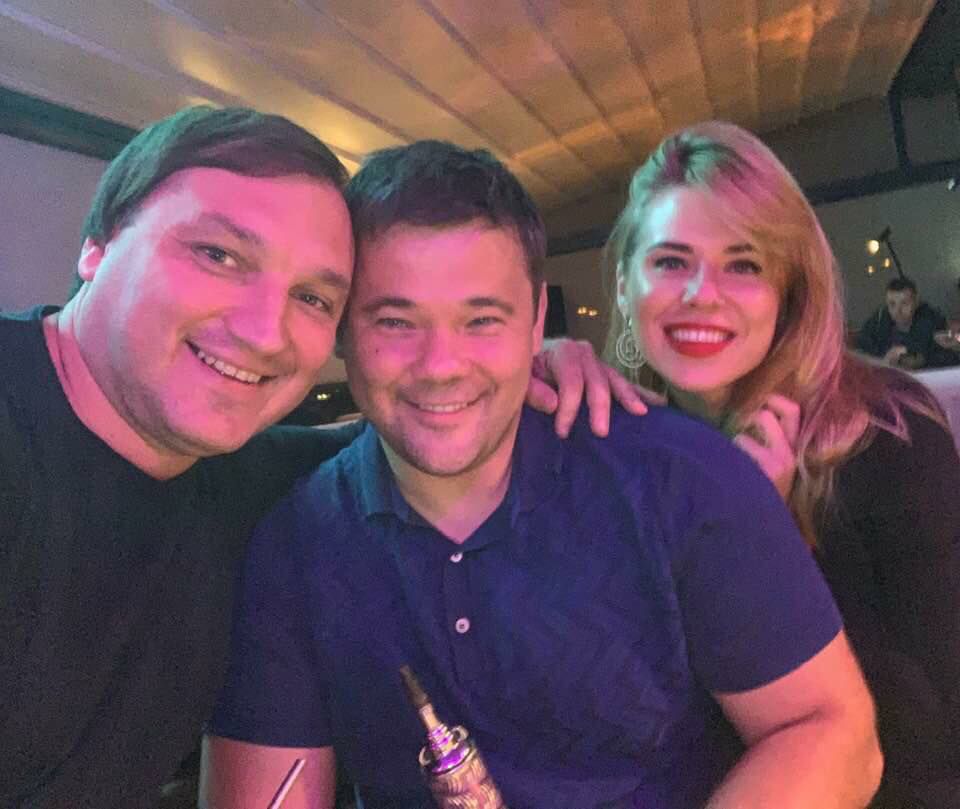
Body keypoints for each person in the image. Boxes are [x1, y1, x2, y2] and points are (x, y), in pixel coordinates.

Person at [202, 140, 882, 809]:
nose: (441, 365)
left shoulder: (684, 480)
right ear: (344, 334)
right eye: (395, 322)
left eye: (482, 320)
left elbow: (831, 731)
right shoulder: (295, 545)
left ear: (535, 327)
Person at [0, 105, 642, 809]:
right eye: (218, 255)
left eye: (311, 296)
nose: (264, 332)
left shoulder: (246, 480)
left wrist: (516, 366)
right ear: (97, 243)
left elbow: (417, 433)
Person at [602, 121, 960, 808]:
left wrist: (771, 540)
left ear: (788, 289)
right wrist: (542, 364)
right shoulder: (623, 448)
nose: (702, 293)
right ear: (623, 287)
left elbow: (934, 722)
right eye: (670, 261)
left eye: (744, 265)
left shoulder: (889, 433)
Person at [856, 277, 958, 369]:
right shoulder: (878, 321)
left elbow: (948, 358)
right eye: (892, 304)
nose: (898, 310)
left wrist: (920, 359)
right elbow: (861, 349)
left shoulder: (932, 320)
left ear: (916, 302)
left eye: (904, 303)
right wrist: (882, 361)